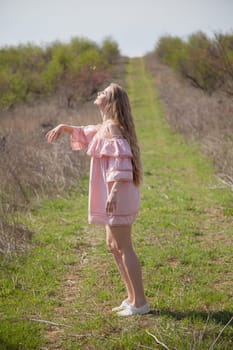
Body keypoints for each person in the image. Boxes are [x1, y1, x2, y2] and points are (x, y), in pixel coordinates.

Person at [46, 83, 150, 316]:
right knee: (113, 246)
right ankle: (131, 298)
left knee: (124, 246)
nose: (98, 93)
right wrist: (65, 127)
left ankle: (141, 303)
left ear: (112, 102)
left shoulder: (113, 128)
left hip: (118, 194)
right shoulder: (107, 126)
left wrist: (113, 193)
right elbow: (89, 131)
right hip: (114, 194)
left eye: (104, 92)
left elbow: (121, 163)